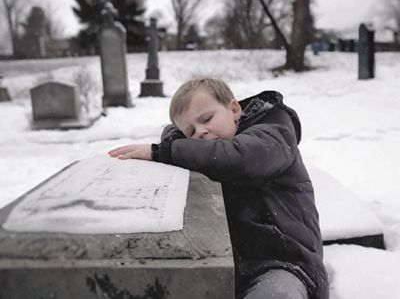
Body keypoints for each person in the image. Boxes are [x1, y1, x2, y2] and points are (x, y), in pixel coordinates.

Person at [108, 78, 329, 299]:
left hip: (287, 264)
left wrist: (164, 151)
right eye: (190, 132)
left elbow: (240, 159)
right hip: (234, 267)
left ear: (234, 109)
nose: (201, 132)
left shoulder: (273, 132)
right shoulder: (208, 154)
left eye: (207, 119)